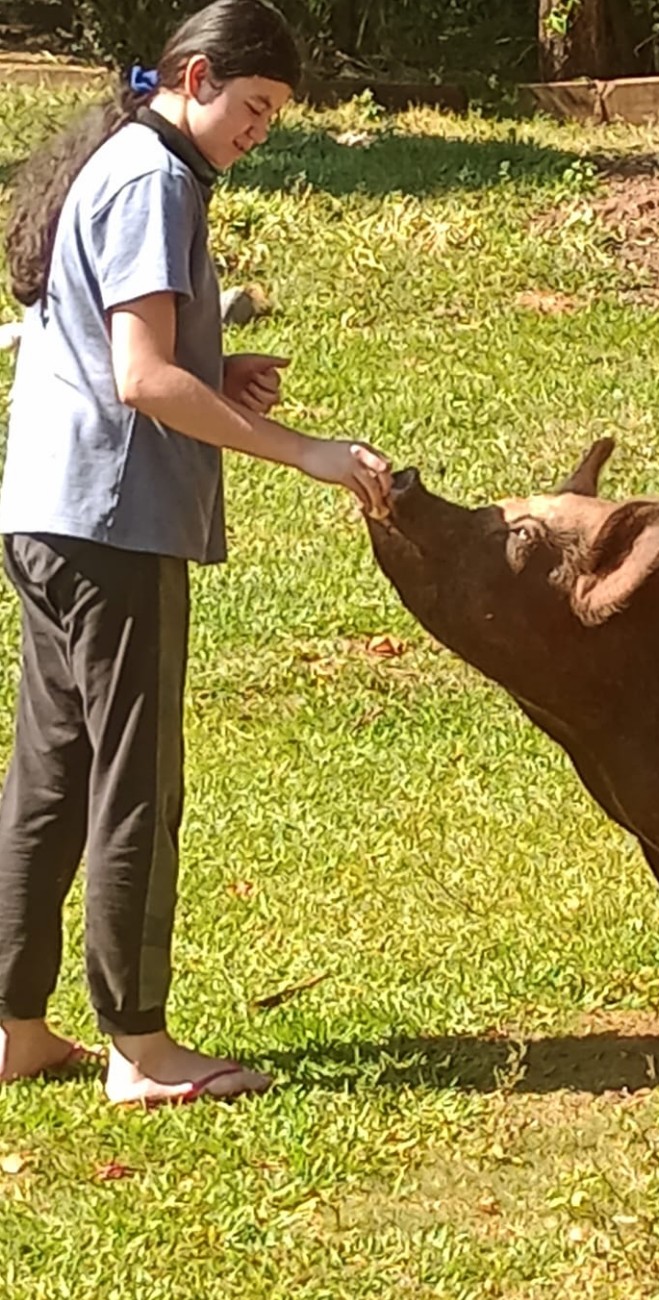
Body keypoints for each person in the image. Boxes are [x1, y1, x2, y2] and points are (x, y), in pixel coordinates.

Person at [0, 0, 393, 1105]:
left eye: (273, 117)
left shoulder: (125, 161)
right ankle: (141, 1045)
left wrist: (216, 372)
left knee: (53, 774)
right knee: (137, 784)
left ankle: (16, 1028)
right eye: (254, 108)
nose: (257, 132)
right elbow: (140, 378)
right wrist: (301, 449)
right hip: (115, 526)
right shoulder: (154, 178)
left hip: (44, 514)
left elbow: (120, 349)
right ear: (200, 75)